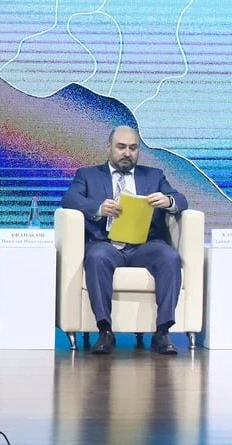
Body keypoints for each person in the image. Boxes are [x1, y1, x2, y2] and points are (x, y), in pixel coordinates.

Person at [61, 125, 187, 355]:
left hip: (146, 245)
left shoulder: (154, 176)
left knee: (170, 257)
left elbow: (181, 200)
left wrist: (168, 201)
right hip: (107, 243)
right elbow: (70, 199)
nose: (127, 153)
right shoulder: (88, 175)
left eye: (133, 148)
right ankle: (105, 331)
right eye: (121, 147)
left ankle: (162, 332)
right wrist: (99, 208)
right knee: (96, 257)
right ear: (109, 147)